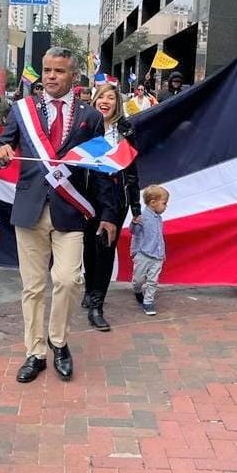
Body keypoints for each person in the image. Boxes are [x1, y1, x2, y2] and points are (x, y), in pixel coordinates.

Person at [0, 47, 119, 383]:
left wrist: (108, 213)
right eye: (47, 70)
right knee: (32, 288)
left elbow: (102, 168)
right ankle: (35, 352)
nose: (50, 77)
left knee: (67, 279)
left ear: (73, 76)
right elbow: (1, 147)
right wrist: (1, 153)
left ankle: (58, 341)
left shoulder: (90, 116)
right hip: (30, 210)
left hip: (71, 211)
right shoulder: (22, 111)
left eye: (58, 71)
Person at [81, 84, 141, 331]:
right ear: (94, 101)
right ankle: (89, 287)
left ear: (117, 104)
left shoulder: (125, 130)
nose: (105, 101)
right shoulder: (83, 126)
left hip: (116, 200)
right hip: (85, 198)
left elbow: (132, 170)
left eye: (111, 98)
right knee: (88, 247)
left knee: (105, 249)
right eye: (101, 97)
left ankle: (97, 304)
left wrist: (136, 208)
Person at [130, 185, 169, 316]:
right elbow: (134, 232)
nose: (166, 206)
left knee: (153, 281)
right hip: (143, 254)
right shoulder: (142, 216)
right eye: (164, 203)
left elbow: (158, 237)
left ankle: (148, 301)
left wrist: (162, 252)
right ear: (153, 203)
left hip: (156, 256)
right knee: (139, 280)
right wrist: (135, 222)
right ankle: (137, 290)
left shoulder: (159, 218)